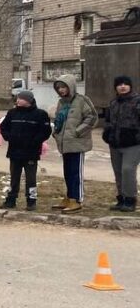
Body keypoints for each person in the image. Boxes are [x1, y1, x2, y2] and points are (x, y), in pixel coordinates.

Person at [49, 73, 98, 212]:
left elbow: (92, 118)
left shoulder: (82, 100)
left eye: (63, 87)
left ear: (70, 86)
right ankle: (69, 197)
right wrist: (56, 132)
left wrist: (78, 131)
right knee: (67, 172)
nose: (61, 90)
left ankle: (77, 199)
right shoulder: (61, 103)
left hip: (77, 143)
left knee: (76, 172)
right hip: (65, 144)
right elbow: (58, 120)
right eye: (58, 88)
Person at [0, 91, 52, 211]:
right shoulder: (12, 113)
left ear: (28, 100)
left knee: (31, 179)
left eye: (20, 99)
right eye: (17, 98)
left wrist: (34, 142)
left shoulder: (40, 114)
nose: (17, 101)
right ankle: (11, 200)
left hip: (31, 153)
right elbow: (3, 127)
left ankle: (31, 201)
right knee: (14, 178)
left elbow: (45, 131)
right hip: (15, 151)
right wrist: (9, 137)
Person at [103, 75, 140, 212]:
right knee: (118, 172)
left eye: (125, 84)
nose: (122, 86)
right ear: (115, 87)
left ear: (130, 86)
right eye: (119, 84)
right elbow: (107, 121)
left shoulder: (137, 101)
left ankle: (131, 199)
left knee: (128, 170)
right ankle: (122, 199)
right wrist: (107, 134)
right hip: (115, 143)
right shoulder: (113, 103)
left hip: (133, 144)